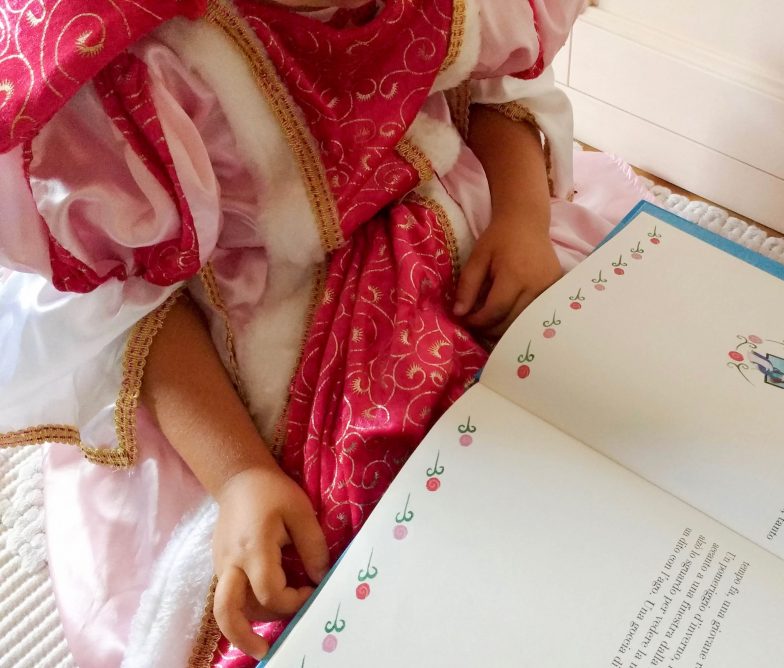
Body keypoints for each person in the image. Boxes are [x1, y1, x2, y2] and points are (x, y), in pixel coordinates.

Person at [0, 1, 653, 666]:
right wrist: (238, 475)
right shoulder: (144, 71)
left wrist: (520, 220)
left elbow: (494, 85)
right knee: (344, 539)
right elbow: (130, 299)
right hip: (253, 319)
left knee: (602, 407)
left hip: (447, 217)